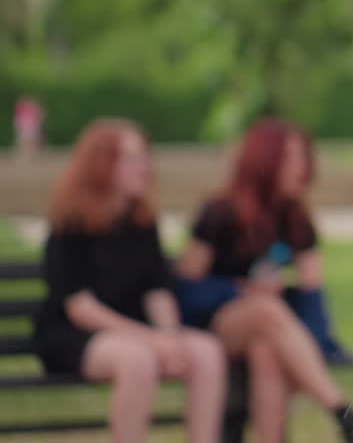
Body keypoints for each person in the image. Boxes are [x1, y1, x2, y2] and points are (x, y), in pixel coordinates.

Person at [174, 118, 353, 443]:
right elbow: (186, 289)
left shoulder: (297, 220)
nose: (301, 167)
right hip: (214, 325)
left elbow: (313, 293)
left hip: (274, 332)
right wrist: (238, 289)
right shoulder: (220, 213)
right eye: (291, 158)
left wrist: (312, 344)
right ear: (265, 161)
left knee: (266, 349)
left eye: (304, 157)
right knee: (263, 309)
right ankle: (346, 417)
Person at [33, 119, 226, 443]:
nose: (145, 167)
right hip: (76, 334)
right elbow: (80, 308)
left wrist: (171, 337)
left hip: (135, 331)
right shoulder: (70, 225)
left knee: (206, 352)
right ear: (102, 165)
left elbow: (157, 290)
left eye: (145, 157)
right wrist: (153, 341)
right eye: (133, 159)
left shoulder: (141, 222)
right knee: (138, 360)